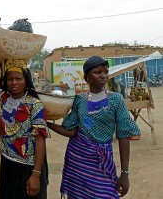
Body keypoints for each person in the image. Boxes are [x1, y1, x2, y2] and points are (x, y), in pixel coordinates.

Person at [47, 55, 140, 198]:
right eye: (98, 72)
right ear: (87, 77)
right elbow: (71, 131)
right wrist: (46, 124)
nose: (103, 76)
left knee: (106, 194)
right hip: (78, 160)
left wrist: (124, 173)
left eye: (106, 72)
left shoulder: (116, 100)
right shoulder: (79, 100)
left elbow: (123, 135)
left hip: (103, 164)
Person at [0, 42, 49, 199]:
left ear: (26, 80)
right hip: (8, 162)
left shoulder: (34, 104)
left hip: (29, 166)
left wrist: (35, 175)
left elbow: (40, 139)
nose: (13, 83)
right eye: (10, 79)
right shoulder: (2, 97)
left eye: (18, 79)